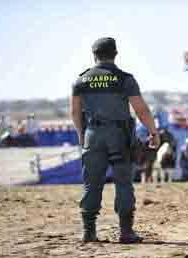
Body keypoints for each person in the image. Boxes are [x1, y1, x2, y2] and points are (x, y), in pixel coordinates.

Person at [71, 37, 160, 244]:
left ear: (94, 55)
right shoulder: (124, 79)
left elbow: (75, 112)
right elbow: (141, 110)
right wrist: (153, 132)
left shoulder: (81, 80)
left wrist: (82, 136)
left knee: (91, 184)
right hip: (119, 137)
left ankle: (89, 232)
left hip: (92, 135)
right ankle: (126, 232)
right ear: (115, 54)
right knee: (123, 183)